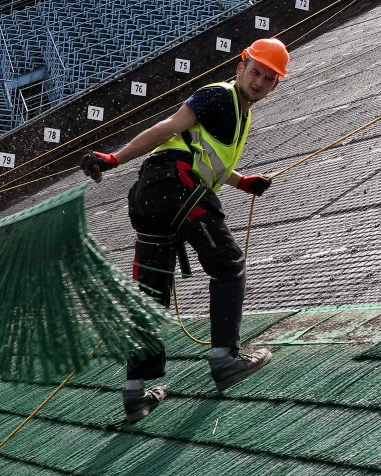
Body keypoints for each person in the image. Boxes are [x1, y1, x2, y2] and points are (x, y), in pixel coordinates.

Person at [80, 38, 289, 423]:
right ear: (240, 66)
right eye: (256, 71)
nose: (260, 80)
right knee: (228, 264)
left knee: (151, 295)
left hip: (151, 197)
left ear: (276, 85)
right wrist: (113, 158)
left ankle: (134, 394)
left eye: (269, 77)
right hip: (174, 185)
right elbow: (170, 128)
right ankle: (225, 359)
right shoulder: (219, 95)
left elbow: (208, 158)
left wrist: (242, 182)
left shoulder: (239, 113)